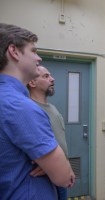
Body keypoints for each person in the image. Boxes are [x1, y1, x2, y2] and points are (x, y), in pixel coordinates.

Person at [0, 23, 75, 199]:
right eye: (33, 51)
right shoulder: (20, 107)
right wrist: (60, 167)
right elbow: (65, 178)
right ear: (14, 51)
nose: (38, 58)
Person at [28, 65, 69, 200]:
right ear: (32, 82)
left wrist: (66, 166)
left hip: (60, 173)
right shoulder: (28, 108)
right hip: (44, 179)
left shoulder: (52, 108)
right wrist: (48, 166)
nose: (52, 79)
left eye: (50, 75)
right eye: (46, 76)